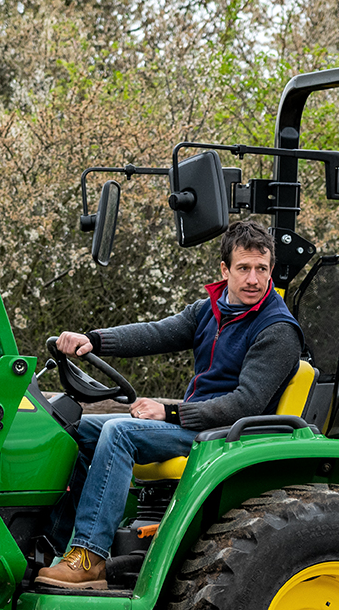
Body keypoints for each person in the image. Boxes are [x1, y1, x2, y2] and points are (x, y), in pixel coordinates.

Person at [36, 220, 303, 589]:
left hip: (226, 434)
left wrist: (170, 412)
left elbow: (245, 404)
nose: (254, 279)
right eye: (244, 268)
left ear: (271, 269)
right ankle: (52, 544)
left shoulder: (277, 329)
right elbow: (157, 332)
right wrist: (93, 340)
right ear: (225, 270)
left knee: (118, 433)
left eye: (261, 269)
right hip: (197, 424)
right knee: (78, 429)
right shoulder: (211, 309)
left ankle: (89, 557)